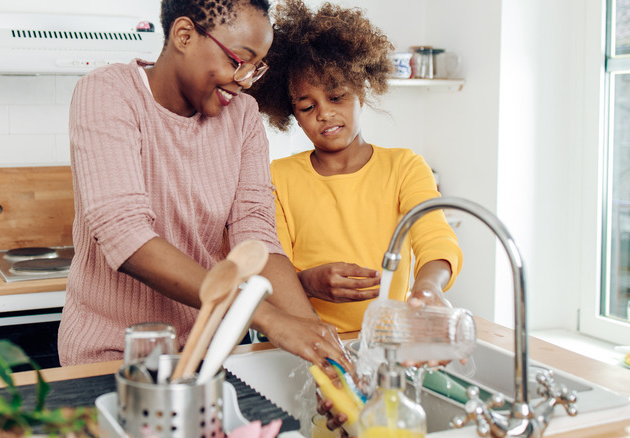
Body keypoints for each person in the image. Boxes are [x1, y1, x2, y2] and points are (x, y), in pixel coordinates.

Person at [58, 0, 350, 371]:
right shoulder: (108, 93)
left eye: (255, 68)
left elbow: (256, 234)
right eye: (236, 60)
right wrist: (270, 319)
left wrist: (317, 343)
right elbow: (124, 234)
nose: (244, 80)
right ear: (184, 35)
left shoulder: (242, 116)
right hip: (113, 355)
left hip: (207, 353)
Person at [248, 0, 464, 340]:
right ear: (291, 113)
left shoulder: (405, 167)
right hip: (307, 340)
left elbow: (435, 238)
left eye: (337, 97)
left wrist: (428, 289)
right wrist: (308, 283)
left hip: (388, 340)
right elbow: (273, 269)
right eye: (307, 106)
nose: (325, 114)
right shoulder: (278, 177)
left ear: (361, 92)